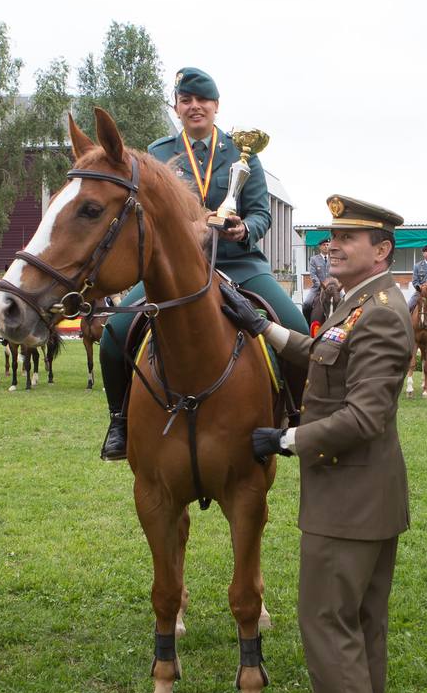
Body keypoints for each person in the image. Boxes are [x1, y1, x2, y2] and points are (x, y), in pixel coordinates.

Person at [218, 194, 411, 693]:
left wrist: (287, 439)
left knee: (328, 625)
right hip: (362, 496)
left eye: (347, 238)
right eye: (331, 237)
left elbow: (366, 415)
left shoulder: (381, 312)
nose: (332, 246)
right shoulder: (359, 304)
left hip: (349, 498)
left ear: (381, 249)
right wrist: (261, 327)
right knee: (358, 626)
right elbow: (320, 353)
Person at [97, 66, 305, 461]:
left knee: (293, 326)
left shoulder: (243, 153)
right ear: (176, 107)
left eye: (202, 100)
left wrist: (243, 228)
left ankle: (294, 416)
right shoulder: (157, 154)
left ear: (216, 105)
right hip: (176, 267)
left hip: (239, 262)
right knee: (114, 333)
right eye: (186, 100)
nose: (195, 107)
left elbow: (262, 212)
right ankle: (119, 420)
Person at [302, 240, 333, 321]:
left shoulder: (333, 258)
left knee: (345, 300)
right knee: (306, 304)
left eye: (327, 244)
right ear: (320, 247)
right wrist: (320, 284)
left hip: (332, 287)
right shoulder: (314, 259)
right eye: (324, 245)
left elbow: (336, 272)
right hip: (317, 288)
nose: (326, 246)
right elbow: (313, 274)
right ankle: (307, 323)